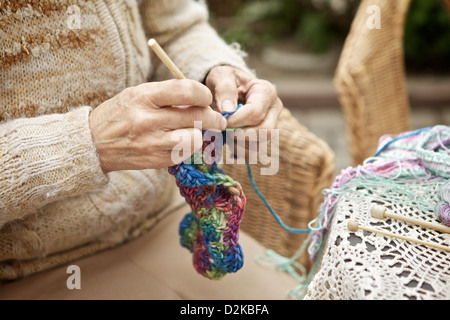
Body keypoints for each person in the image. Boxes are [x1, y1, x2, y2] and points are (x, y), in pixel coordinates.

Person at [0, 0, 295, 299]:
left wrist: (215, 72)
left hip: (160, 212)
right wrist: (84, 145)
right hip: (24, 269)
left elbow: (176, 30)